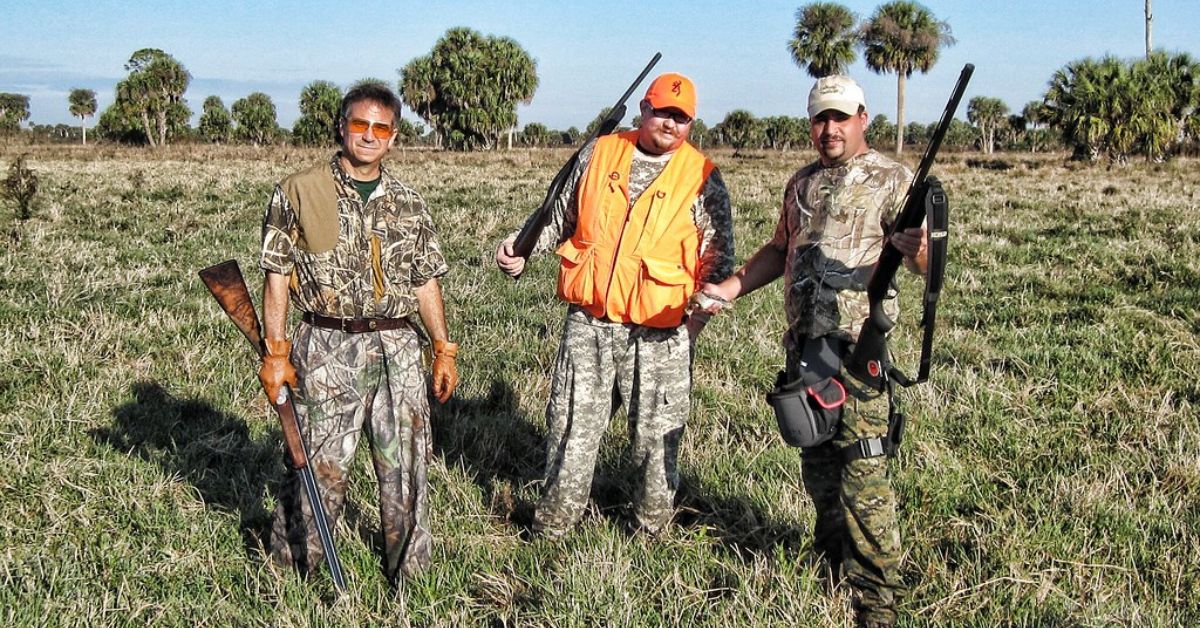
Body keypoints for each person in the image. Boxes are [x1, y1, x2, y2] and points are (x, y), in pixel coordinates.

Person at [698, 75, 926, 627]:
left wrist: (918, 250)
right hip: (804, 351)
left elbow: (927, 263)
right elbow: (781, 249)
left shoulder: (896, 180)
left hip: (857, 353)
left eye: (840, 118)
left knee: (863, 474)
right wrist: (729, 288)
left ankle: (877, 604)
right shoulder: (802, 183)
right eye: (820, 118)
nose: (829, 129)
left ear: (863, 118)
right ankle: (832, 570)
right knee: (819, 468)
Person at [495, 72, 734, 537]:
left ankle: (650, 530)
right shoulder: (600, 151)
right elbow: (557, 213)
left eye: (681, 117)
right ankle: (554, 528)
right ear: (644, 108)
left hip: (661, 332)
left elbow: (718, 253)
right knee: (571, 427)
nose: (670, 123)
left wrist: (700, 315)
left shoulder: (703, 175)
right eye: (663, 111)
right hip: (591, 322)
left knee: (655, 437)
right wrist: (520, 247)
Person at [257, 82, 458, 584]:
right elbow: (275, 276)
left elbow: (424, 280)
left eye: (381, 127)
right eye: (359, 124)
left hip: (398, 348)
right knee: (316, 467)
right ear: (342, 127)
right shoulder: (297, 190)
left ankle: (410, 580)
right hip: (326, 346)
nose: (369, 136)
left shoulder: (410, 202)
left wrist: (442, 347)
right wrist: (276, 352)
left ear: (393, 137)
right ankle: (296, 576)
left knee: (407, 470)